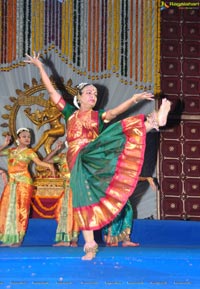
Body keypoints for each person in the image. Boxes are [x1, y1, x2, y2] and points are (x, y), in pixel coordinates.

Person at [24, 51, 171, 260]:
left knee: (116, 133)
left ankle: (153, 122)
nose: (93, 96)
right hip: (77, 158)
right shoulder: (69, 113)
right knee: (82, 198)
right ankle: (90, 245)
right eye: (89, 93)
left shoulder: (97, 115)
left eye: (95, 94)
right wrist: (39, 67)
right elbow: (52, 91)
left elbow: (113, 113)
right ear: (79, 98)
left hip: (93, 153)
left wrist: (133, 100)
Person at [0, 128, 55, 247]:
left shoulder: (30, 152)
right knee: (8, 208)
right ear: (18, 139)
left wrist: (50, 166)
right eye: (24, 136)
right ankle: (8, 238)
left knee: (22, 209)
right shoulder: (11, 151)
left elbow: (39, 163)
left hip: (24, 183)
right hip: (12, 183)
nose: (27, 138)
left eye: (28, 137)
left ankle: (19, 238)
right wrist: (4, 144)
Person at [103, 177, 158, 247]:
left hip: (123, 195)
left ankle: (126, 240)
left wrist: (147, 178)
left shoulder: (126, 170)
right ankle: (110, 238)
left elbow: (133, 177)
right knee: (115, 216)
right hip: (113, 194)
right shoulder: (112, 169)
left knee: (128, 213)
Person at [43, 140, 79, 247]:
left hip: (74, 187)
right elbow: (45, 161)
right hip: (67, 187)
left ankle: (69, 240)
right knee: (67, 212)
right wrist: (55, 150)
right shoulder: (62, 156)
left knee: (70, 212)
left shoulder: (79, 155)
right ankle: (71, 240)